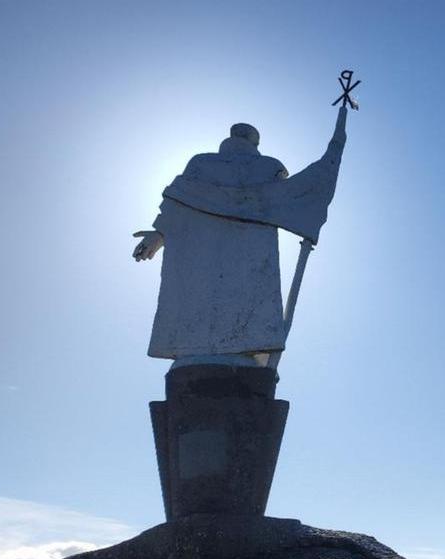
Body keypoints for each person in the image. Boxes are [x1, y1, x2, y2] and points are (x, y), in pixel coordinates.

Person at [134, 108, 347, 369]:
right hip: (247, 255)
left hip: (205, 254)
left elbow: (176, 202)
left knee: (205, 309)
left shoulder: (200, 162)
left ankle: (224, 361)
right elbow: (289, 197)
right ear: (255, 143)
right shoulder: (269, 167)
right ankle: (238, 360)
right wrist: (317, 187)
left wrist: (159, 233)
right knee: (244, 317)